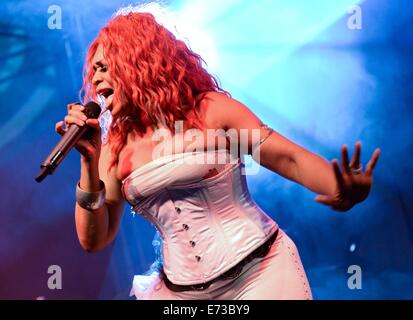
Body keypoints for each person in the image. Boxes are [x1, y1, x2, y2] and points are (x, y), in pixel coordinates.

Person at [55, 9, 380, 300]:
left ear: (135, 60)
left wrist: (340, 188)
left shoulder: (209, 110)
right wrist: (88, 158)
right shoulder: (114, 147)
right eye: (92, 71)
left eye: (102, 67)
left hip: (261, 276)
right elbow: (92, 240)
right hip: (178, 295)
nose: (94, 79)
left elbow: (288, 159)